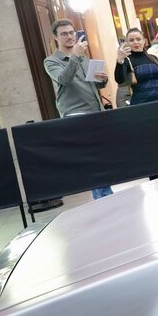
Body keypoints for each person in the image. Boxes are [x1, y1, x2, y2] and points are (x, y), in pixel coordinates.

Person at [43, 19, 112, 200]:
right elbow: (64, 80)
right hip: (76, 115)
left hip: (95, 113)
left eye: (72, 32)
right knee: (93, 160)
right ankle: (104, 198)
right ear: (55, 38)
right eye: (64, 33)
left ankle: (104, 197)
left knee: (102, 159)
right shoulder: (51, 61)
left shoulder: (83, 57)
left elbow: (92, 85)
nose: (69, 36)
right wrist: (74, 56)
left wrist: (102, 80)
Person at [114, 28, 158, 105]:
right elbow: (119, 80)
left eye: (138, 39)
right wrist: (119, 61)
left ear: (144, 41)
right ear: (127, 43)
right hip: (141, 106)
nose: (135, 42)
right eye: (131, 40)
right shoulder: (126, 60)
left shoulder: (152, 58)